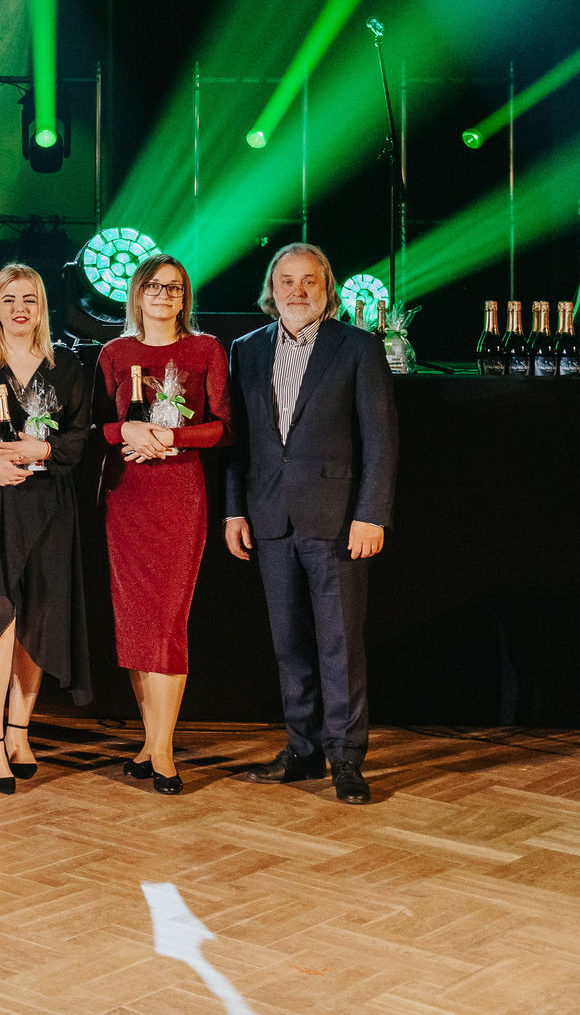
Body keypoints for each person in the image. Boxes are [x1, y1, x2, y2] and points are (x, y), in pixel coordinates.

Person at [225, 242, 396, 806]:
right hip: (270, 518)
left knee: (339, 644)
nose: (297, 291)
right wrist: (234, 509)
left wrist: (371, 514)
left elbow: (381, 440)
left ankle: (345, 758)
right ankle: (302, 751)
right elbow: (239, 442)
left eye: (309, 281)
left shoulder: (358, 347)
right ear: (271, 290)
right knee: (289, 644)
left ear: (328, 289)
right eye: (287, 281)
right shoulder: (246, 349)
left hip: (338, 520)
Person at [0, 262, 91, 793]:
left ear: (42, 307)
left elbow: (79, 437)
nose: (19, 308)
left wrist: (42, 449)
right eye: (9, 299)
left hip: (49, 506)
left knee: (39, 618)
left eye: (29, 299)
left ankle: (19, 732)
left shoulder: (66, 364)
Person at [94, 254, 232, 795]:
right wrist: (128, 433)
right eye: (154, 286)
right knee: (135, 621)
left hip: (179, 495)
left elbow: (224, 427)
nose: (163, 295)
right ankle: (151, 744)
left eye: (174, 288)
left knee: (169, 621)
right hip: (127, 497)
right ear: (137, 293)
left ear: (185, 297)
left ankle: (165, 750)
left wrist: (170, 437)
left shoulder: (206, 349)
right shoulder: (114, 353)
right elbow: (96, 427)